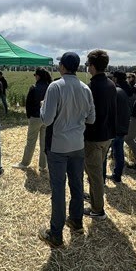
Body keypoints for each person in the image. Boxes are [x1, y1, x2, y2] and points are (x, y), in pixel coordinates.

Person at [38, 52, 95, 247]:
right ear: (78, 67)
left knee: (58, 188)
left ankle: (55, 233)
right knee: (77, 185)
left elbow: (47, 120)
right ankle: (76, 221)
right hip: (78, 144)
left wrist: (42, 107)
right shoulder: (86, 88)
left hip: (57, 146)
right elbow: (91, 119)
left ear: (62, 66)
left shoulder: (55, 86)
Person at [83, 49, 116, 220]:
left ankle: (97, 210)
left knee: (94, 176)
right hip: (107, 136)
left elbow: (86, 115)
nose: (87, 67)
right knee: (96, 172)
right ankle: (95, 200)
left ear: (93, 66)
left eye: (88, 64)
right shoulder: (111, 84)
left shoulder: (91, 87)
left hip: (93, 137)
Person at [14, 67, 52, 171]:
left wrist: (29, 116)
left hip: (35, 117)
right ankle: (43, 166)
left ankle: (25, 163)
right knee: (44, 143)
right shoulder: (50, 87)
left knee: (31, 142)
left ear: (38, 76)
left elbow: (28, 104)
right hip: (47, 118)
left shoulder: (34, 87)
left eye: (35, 75)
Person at [108, 71, 132, 183]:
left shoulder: (114, 92)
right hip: (123, 126)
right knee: (119, 152)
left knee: (104, 153)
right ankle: (117, 176)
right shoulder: (124, 91)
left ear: (116, 79)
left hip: (114, 128)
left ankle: (101, 178)